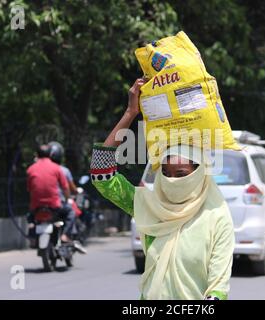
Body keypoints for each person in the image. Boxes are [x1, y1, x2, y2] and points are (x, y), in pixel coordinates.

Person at [90, 78, 235, 300]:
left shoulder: (216, 217)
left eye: (181, 174)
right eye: (165, 173)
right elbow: (101, 175)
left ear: (199, 173)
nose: (172, 180)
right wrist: (130, 113)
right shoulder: (149, 206)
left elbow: (218, 288)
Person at [26, 144, 72, 243]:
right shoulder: (56, 168)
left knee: (29, 217)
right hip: (54, 206)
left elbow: (29, 190)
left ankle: (32, 233)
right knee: (70, 212)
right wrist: (68, 199)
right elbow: (65, 187)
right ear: (50, 154)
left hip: (36, 207)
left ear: (37, 155)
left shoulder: (31, 169)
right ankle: (64, 235)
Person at [48, 141, 87, 254]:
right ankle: (65, 235)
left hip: (42, 205)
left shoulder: (41, 169)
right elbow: (69, 188)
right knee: (72, 212)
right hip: (58, 205)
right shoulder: (63, 170)